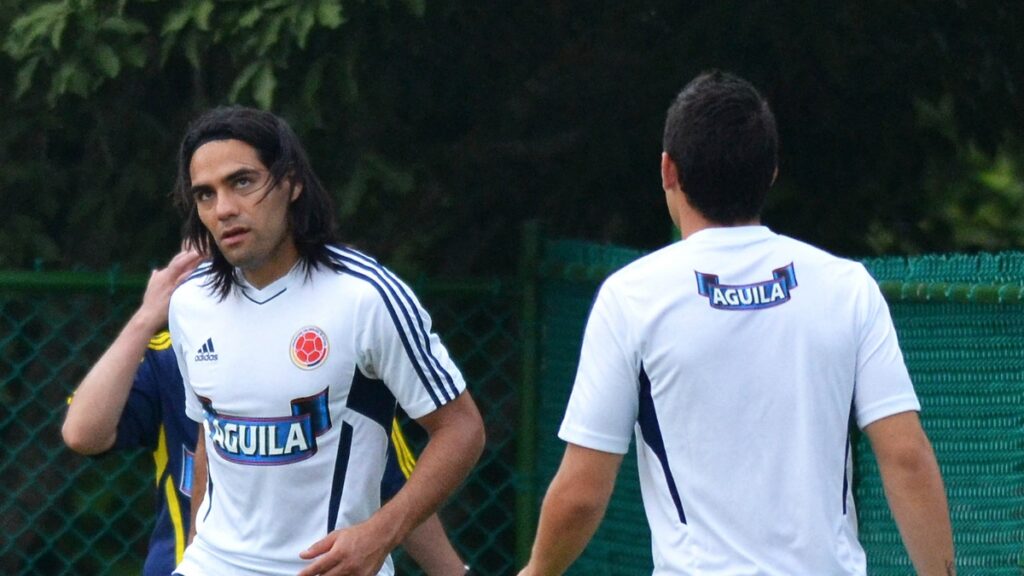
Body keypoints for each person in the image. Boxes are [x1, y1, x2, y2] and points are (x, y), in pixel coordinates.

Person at [519, 71, 955, 576]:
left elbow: (582, 492)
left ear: (668, 171)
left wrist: (535, 572)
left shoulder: (631, 297)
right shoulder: (847, 287)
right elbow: (905, 455)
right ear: (771, 171)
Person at [167, 106, 485, 576]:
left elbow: (461, 429)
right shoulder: (190, 304)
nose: (225, 209)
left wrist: (379, 534)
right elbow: (208, 437)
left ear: (291, 183)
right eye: (205, 194)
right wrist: (195, 554)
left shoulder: (365, 297)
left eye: (243, 182)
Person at [62, 251, 473, 576]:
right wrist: (147, 316)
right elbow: (83, 432)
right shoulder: (171, 355)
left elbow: (398, 488)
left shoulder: (337, 366)